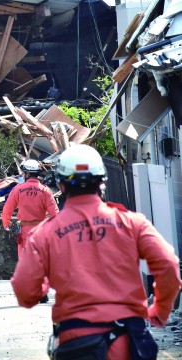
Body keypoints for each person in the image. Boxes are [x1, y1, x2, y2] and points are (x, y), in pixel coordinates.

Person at [11, 144, 182, 360]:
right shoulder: (131, 222)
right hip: (130, 340)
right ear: (102, 182)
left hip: (76, 341)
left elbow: (25, 292)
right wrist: (160, 309)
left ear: (61, 185)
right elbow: (169, 265)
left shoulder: (46, 233)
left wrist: (44, 283)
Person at [1, 158, 58, 257]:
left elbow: (7, 210)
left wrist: (6, 223)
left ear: (27, 174)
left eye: (23, 173)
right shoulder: (45, 190)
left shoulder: (18, 189)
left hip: (25, 232)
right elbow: (55, 214)